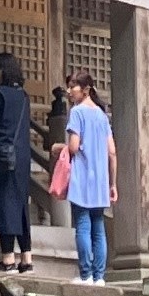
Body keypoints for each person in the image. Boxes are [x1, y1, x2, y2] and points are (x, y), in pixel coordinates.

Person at [55, 70, 115, 282]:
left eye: (73, 86)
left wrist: (57, 148)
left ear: (86, 89)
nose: (70, 91)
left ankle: (85, 274)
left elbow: (73, 147)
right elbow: (112, 151)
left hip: (82, 174)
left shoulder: (78, 112)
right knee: (98, 229)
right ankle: (100, 277)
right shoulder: (102, 115)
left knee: (82, 225)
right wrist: (113, 183)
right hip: (100, 178)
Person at [0, 51, 36, 272]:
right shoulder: (23, 96)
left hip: (2, 156)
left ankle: (8, 258)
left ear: (1, 70)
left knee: (3, 204)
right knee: (21, 204)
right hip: (21, 157)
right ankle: (27, 258)